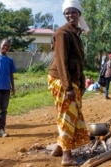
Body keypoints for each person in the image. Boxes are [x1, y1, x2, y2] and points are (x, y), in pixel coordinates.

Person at [47, 0, 90, 165]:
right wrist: (68, 87)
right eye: (67, 13)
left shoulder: (75, 34)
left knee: (72, 113)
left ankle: (59, 147)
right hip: (61, 79)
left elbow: (78, 62)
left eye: (73, 12)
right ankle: (66, 156)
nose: (70, 15)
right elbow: (61, 61)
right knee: (67, 116)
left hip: (70, 79)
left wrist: (81, 84)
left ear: (79, 14)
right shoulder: (62, 33)